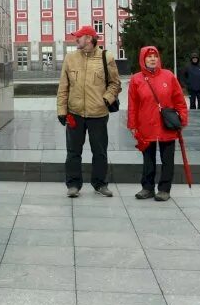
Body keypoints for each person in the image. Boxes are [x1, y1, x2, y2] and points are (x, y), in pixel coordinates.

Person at [57, 26, 121, 198]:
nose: (76, 39)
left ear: (89, 38)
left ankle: (100, 184)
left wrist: (106, 100)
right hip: (74, 113)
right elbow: (63, 87)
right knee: (73, 152)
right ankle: (73, 185)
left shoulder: (106, 57)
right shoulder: (70, 58)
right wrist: (62, 110)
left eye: (79, 37)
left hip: (98, 114)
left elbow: (115, 84)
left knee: (99, 152)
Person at [126, 45, 188, 202]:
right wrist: (132, 125)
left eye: (155, 56)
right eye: (149, 56)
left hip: (166, 126)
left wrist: (182, 118)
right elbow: (132, 105)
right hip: (146, 126)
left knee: (167, 159)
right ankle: (147, 188)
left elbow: (179, 99)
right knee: (148, 159)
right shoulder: (136, 79)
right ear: (143, 59)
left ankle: (164, 189)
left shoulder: (168, 76)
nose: (153, 59)